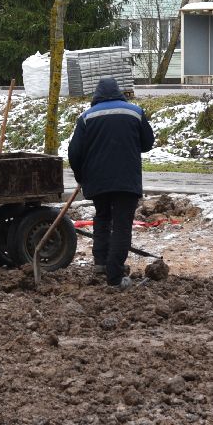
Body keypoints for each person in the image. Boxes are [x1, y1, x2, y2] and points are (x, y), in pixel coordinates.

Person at [66, 76, 155, 287]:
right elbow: (148, 143)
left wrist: (81, 176)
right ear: (119, 93)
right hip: (127, 180)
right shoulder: (135, 112)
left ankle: (101, 263)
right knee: (122, 225)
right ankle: (114, 277)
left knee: (103, 218)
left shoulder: (87, 117)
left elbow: (74, 152)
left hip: (97, 181)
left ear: (96, 95)